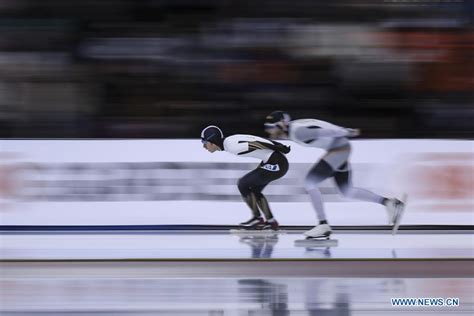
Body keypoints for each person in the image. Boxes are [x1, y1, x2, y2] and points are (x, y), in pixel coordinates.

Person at [263, 111, 405, 239]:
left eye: (271, 127)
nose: (268, 131)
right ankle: (390, 202)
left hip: (339, 149)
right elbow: (321, 126)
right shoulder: (293, 128)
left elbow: (325, 132)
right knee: (347, 191)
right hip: (340, 148)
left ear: (282, 125)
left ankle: (323, 224)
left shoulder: (298, 132)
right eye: (267, 127)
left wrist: (346, 131)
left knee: (310, 183)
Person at [201, 125, 290, 230]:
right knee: (255, 190)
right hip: (273, 160)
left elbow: (256, 144)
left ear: (212, 141)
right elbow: (255, 139)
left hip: (277, 162)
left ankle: (257, 219)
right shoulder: (229, 141)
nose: (204, 147)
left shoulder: (233, 147)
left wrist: (279, 147)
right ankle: (271, 222)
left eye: (204, 143)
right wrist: (277, 145)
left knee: (243, 184)